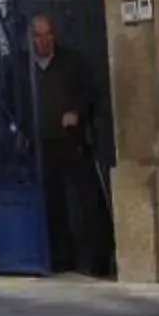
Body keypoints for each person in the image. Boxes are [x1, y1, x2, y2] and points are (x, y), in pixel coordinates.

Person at [31, 15, 112, 277]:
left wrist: (77, 112)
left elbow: (90, 92)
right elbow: (11, 99)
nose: (44, 41)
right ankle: (59, 259)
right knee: (52, 204)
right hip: (41, 144)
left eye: (48, 34)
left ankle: (98, 260)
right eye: (38, 35)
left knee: (87, 200)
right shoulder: (23, 68)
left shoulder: (72, 62)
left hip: (72, 142)